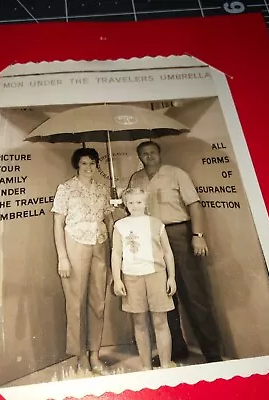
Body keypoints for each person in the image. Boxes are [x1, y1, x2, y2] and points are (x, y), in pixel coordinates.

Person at [128, 140, 222, 363]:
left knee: (194, 294)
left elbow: (194, 205)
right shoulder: (136, 178)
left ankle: (212, 353)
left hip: (178, 233)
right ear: (139, 157)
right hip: (151, 237)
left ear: (160, 154)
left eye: (152, 152)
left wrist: (197, 236)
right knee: (163, 297)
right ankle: (175, 350)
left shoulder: (176, 174)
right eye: (144, 153)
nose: (149, 156)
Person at [51, 147, 114, 374]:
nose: (89, 167)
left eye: (93, 163)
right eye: (84, 163)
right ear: (77, 165)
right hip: (75, 244)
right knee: (76, 303)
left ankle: (94, 355)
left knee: (98, 302)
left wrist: (114, 248)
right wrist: (63, 258)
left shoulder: (101, 188)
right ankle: (80, 357)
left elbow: (108, 218)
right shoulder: (66, 189)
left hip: (100, 244)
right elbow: (58, 224)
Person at [111, 188, 176, 370]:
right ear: (125, 204)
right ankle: (146, 367)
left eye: (139, 202)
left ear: (145, 202)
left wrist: (171, 277)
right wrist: (117, 279)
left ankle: (165, 365)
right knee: (139, 323)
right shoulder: (120, 226)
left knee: (160, 321)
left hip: (156, 275)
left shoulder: (156, 224)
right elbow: (116, 254)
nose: (135, 206)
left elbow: (168, 253)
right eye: (131, 202)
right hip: (132, 277)